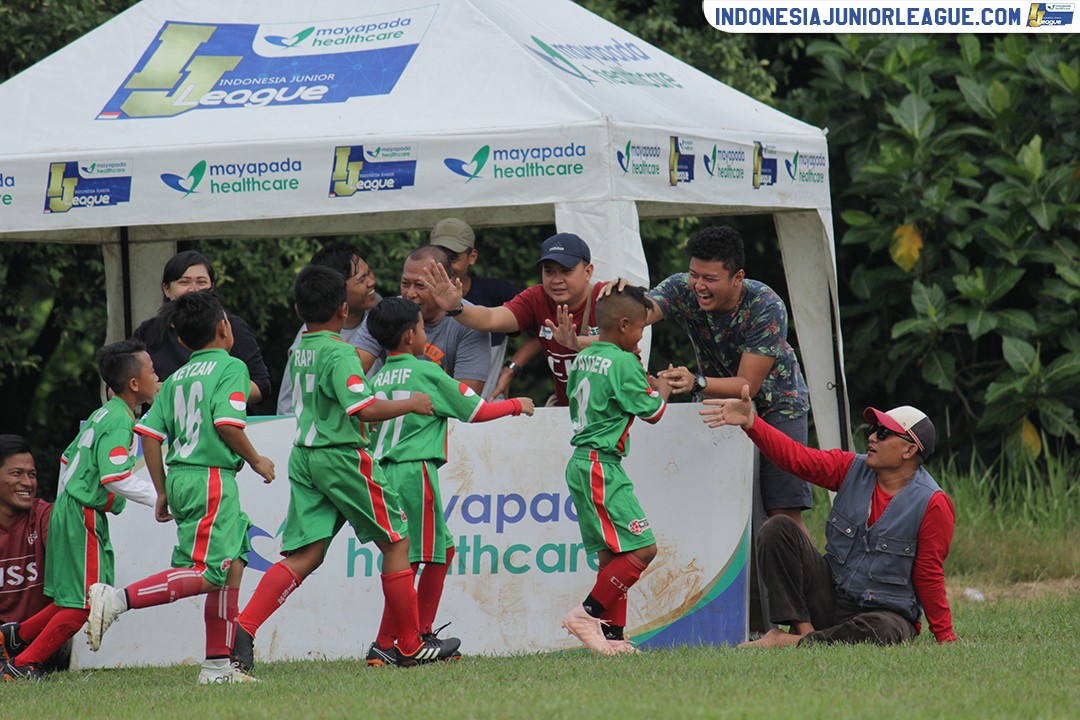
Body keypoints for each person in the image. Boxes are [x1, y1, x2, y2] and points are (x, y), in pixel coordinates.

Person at [229, 266, 460, 673]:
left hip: (305, 456)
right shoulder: (339, 352)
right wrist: (412, 403)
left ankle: (244, 628)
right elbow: (364, 408)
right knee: (397, 543)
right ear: (342, 308)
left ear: (299, 308)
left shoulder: (300, 346)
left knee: (306, 555)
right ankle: (407, 646)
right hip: (341, 456)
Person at [87, 293, 276, 685]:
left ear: (185, 342)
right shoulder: (232, 368)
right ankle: (116, 600)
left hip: (183, 478)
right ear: (225, 329)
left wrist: (161, 490)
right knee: (209, 573)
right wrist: (257, 460)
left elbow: (150, 435)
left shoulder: (175, 379)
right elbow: (227, 423)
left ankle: (218, 667)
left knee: (235, 560)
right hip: (211, 479)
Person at [701, 387, 957, 647]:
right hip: (830, 599)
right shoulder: (849, 467)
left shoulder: (933, 503)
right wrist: (751, 422)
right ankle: (802, 628)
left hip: (884, 613)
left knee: (884, 630)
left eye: (882, 433)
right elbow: (796, 458)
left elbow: (928, 574)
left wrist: (945, 637)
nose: (871, 438)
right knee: (778, 527)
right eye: (872, 430)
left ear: (909, 450)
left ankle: (789, 642)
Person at [607, 226, 813, 532]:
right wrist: (619, 297)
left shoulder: (766, 305)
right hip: (716, 404)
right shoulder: (681, 289)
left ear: (737, 278)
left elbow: (747, 386)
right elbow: (637, 316)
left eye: (710, 279)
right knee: (713, 503)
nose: (699, 286)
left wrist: (696, 383)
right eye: (694, 275)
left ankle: (809, 582)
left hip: (777, 407)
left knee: (782, 514)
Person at [365, 297, 535, 664]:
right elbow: (476, 411)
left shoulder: (377, 377)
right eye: (424, 329)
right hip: (413, 472)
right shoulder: (425, 371)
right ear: (411, 335)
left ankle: (416, 634)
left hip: (384, 472)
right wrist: (517, 404)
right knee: (412, 559)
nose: (426, 334)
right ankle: (391, 642)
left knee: (437, 551)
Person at [2, 341, 159, 681]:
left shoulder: (103, 414)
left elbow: (66, 458)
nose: (158, 378)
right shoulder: (119, 421)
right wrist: (160, 498)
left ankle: (15, 636)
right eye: (152, 372)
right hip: (82, 514)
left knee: (73, 597)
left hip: (69, 509)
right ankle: (23, 665)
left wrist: (69, 504)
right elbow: (115, 476)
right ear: (134, 383)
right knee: (87, 603)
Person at [560, 285, 671, 655]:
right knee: (643, 548)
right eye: (641, 328)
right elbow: (653, 412)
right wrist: (661, 387)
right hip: (600, 465)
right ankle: (586, 615)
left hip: (583, 463)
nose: (641, 336)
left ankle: (613, 638)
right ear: (624, 326)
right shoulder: (624, 363)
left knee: (612, 555)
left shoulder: (582, 358)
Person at [422, 233, 604, 405]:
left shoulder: (608, 296)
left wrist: (577, 343)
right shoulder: (536, 298)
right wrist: (456, 307)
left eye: (566, 271)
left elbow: (626, 341)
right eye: (549, 271)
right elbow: (491, 318)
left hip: (616, 408)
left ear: (588, 272)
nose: (557, 279)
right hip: (569, 407)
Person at [133, 250, 271, 405]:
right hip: (163, 426)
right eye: (184, 282)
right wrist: (149, 389)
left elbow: (262, 386)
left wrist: (216, 389)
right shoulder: (147, 332)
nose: (193, 289)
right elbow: (118, 387)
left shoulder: (233, 327)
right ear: (166, 289)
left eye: (201, 282)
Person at [428, 218, 542, 401]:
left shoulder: (497, 293)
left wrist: (511, 369)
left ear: (472, 257)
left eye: (453, 258)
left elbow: (544, 329)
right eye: (438, 256)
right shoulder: (417, 297)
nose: (445, 265)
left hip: (487, 409)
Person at [352, 245, 490, 395]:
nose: (410, 293)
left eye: (420, 285)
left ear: (445, 283)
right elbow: (352, 374)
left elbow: (465, 400)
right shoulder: (386, 313)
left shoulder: (470, 324)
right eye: (405, 284)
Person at [276, 242, 380, 415]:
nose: (371, 282)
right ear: (337, 290)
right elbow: (288, 406)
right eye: (362, 279)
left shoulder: (381, 312)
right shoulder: (310, 340)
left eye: (369, 272)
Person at [0, 436, 50, 629]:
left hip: (41, 638)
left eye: (32, 474)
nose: (28, 483)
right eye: (17, 473)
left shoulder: (44, 516)